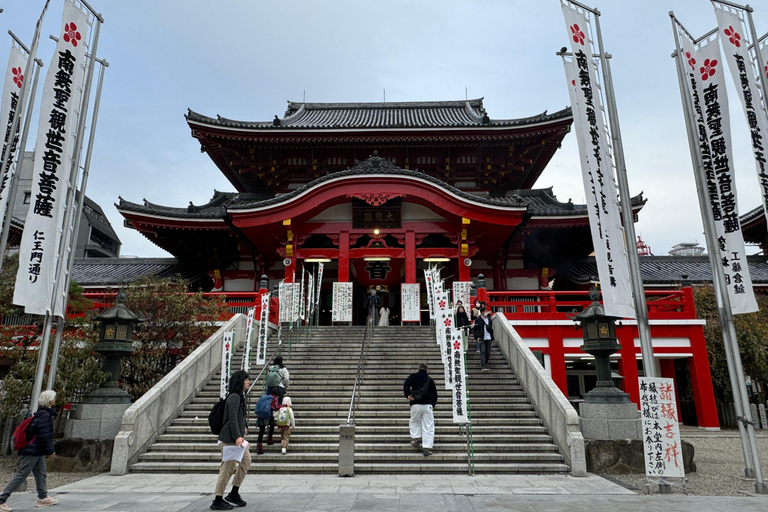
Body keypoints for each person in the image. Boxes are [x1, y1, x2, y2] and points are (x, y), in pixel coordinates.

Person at [0, 390, 58, 510]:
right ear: (50, 400)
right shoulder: (45, 415)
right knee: (22, 474)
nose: (55, 400)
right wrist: (50, 450)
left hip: (36, 449)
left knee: (41, 472)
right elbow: (44, 435)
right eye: (54, 398)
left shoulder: (41, 414)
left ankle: (43, 497)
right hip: (33, 450)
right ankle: (1, 499)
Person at [212, 370, 250, 510]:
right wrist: (237, 436)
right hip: (230, 439)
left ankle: (234, 492)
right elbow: (232, 418)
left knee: (246, 462)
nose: (248, 382)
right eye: (246, 380)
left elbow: (239, 417)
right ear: (240, 381)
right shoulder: (234, 397)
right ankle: (217, 499)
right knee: (227, 468)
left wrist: (243, 427)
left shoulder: (240, 396)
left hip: (236, 439)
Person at [403, 363, 438, 456]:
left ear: (419, 369)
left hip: (415, 404)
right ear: (426, 370)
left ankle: (416, 438)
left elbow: (406, 384)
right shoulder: (430, 380)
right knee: (428, 426)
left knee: (414, 421)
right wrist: (432, 404)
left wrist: (407, 395)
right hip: (427, 405)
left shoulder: (413, 377)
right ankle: (427, 448)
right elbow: (435, 394)